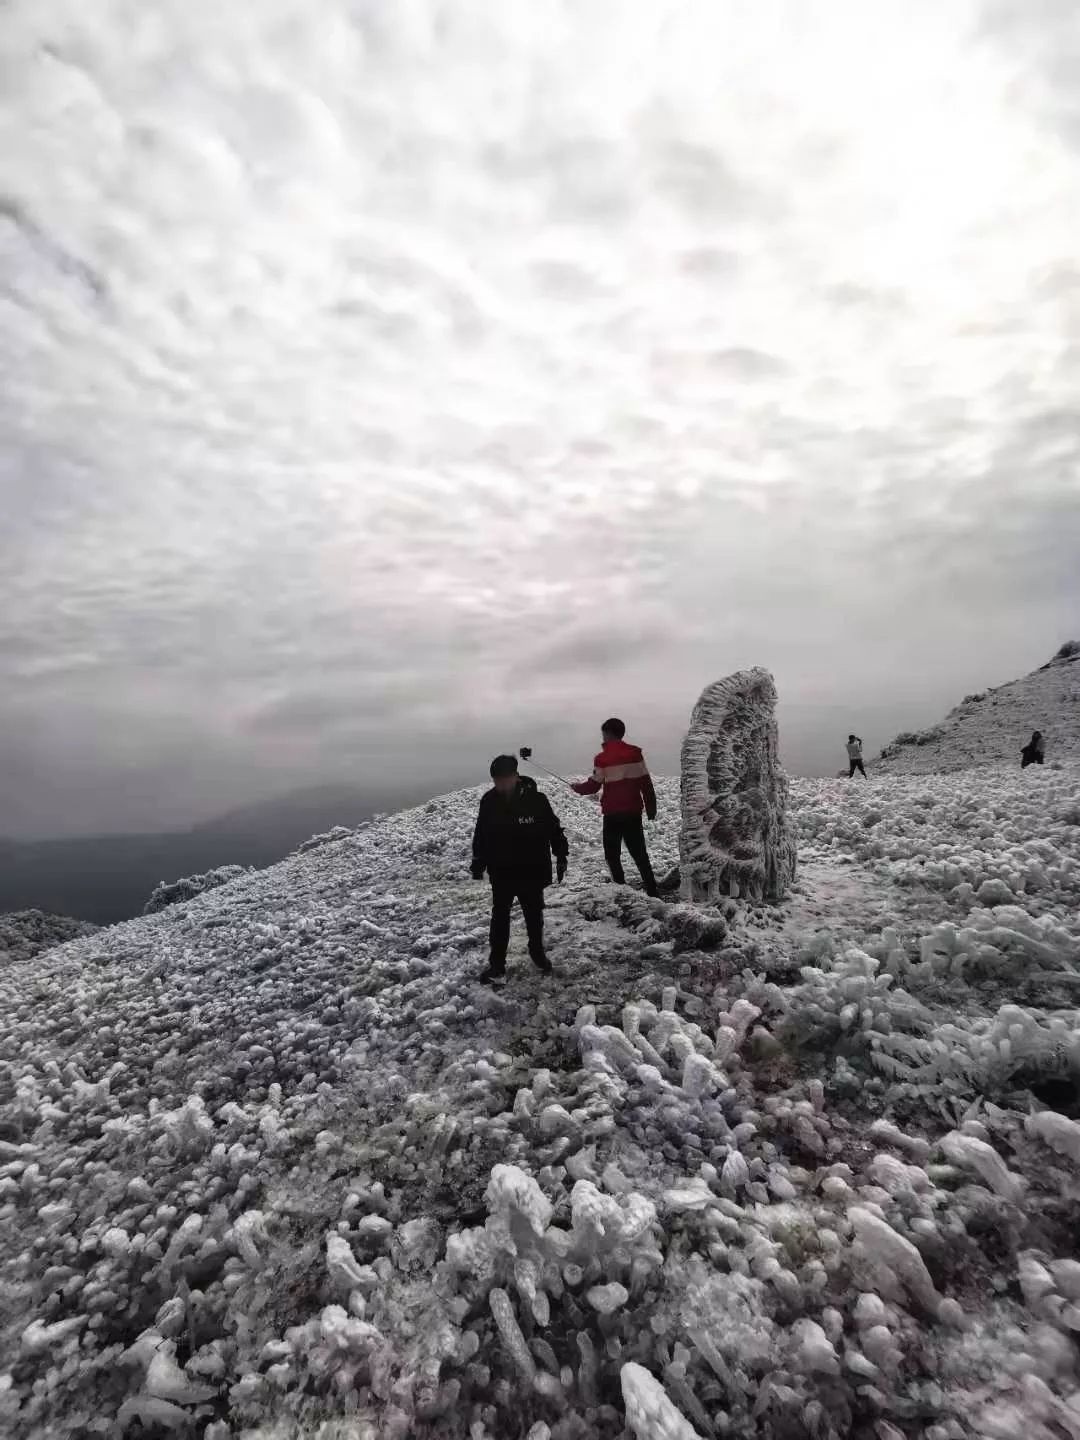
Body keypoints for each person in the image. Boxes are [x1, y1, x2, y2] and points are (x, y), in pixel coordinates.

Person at [471, 754, 568, 983]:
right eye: (496, 780)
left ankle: (537, 953)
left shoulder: (537, 800)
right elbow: (481, 834)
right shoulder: (489, 801)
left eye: (504, 779)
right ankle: (497, 965)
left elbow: (554, 829)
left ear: (515, 776)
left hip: (531, 871)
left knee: (534, 916)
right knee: (500, 918)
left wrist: (561, 854)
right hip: (502, 871)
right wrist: (478, 862)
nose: (500, 785)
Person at [572, 718, 659, 897]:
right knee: (639, 853)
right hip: (633, 812)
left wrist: (578, 788)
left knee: (612, 855)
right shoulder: (635, 754)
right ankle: (652, 890)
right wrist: (651, 808)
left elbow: (594, 786)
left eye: (603, 733)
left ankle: (621, 891)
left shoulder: (602, 758)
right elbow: (645, 783)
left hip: (612, 814)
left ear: (607, 733)